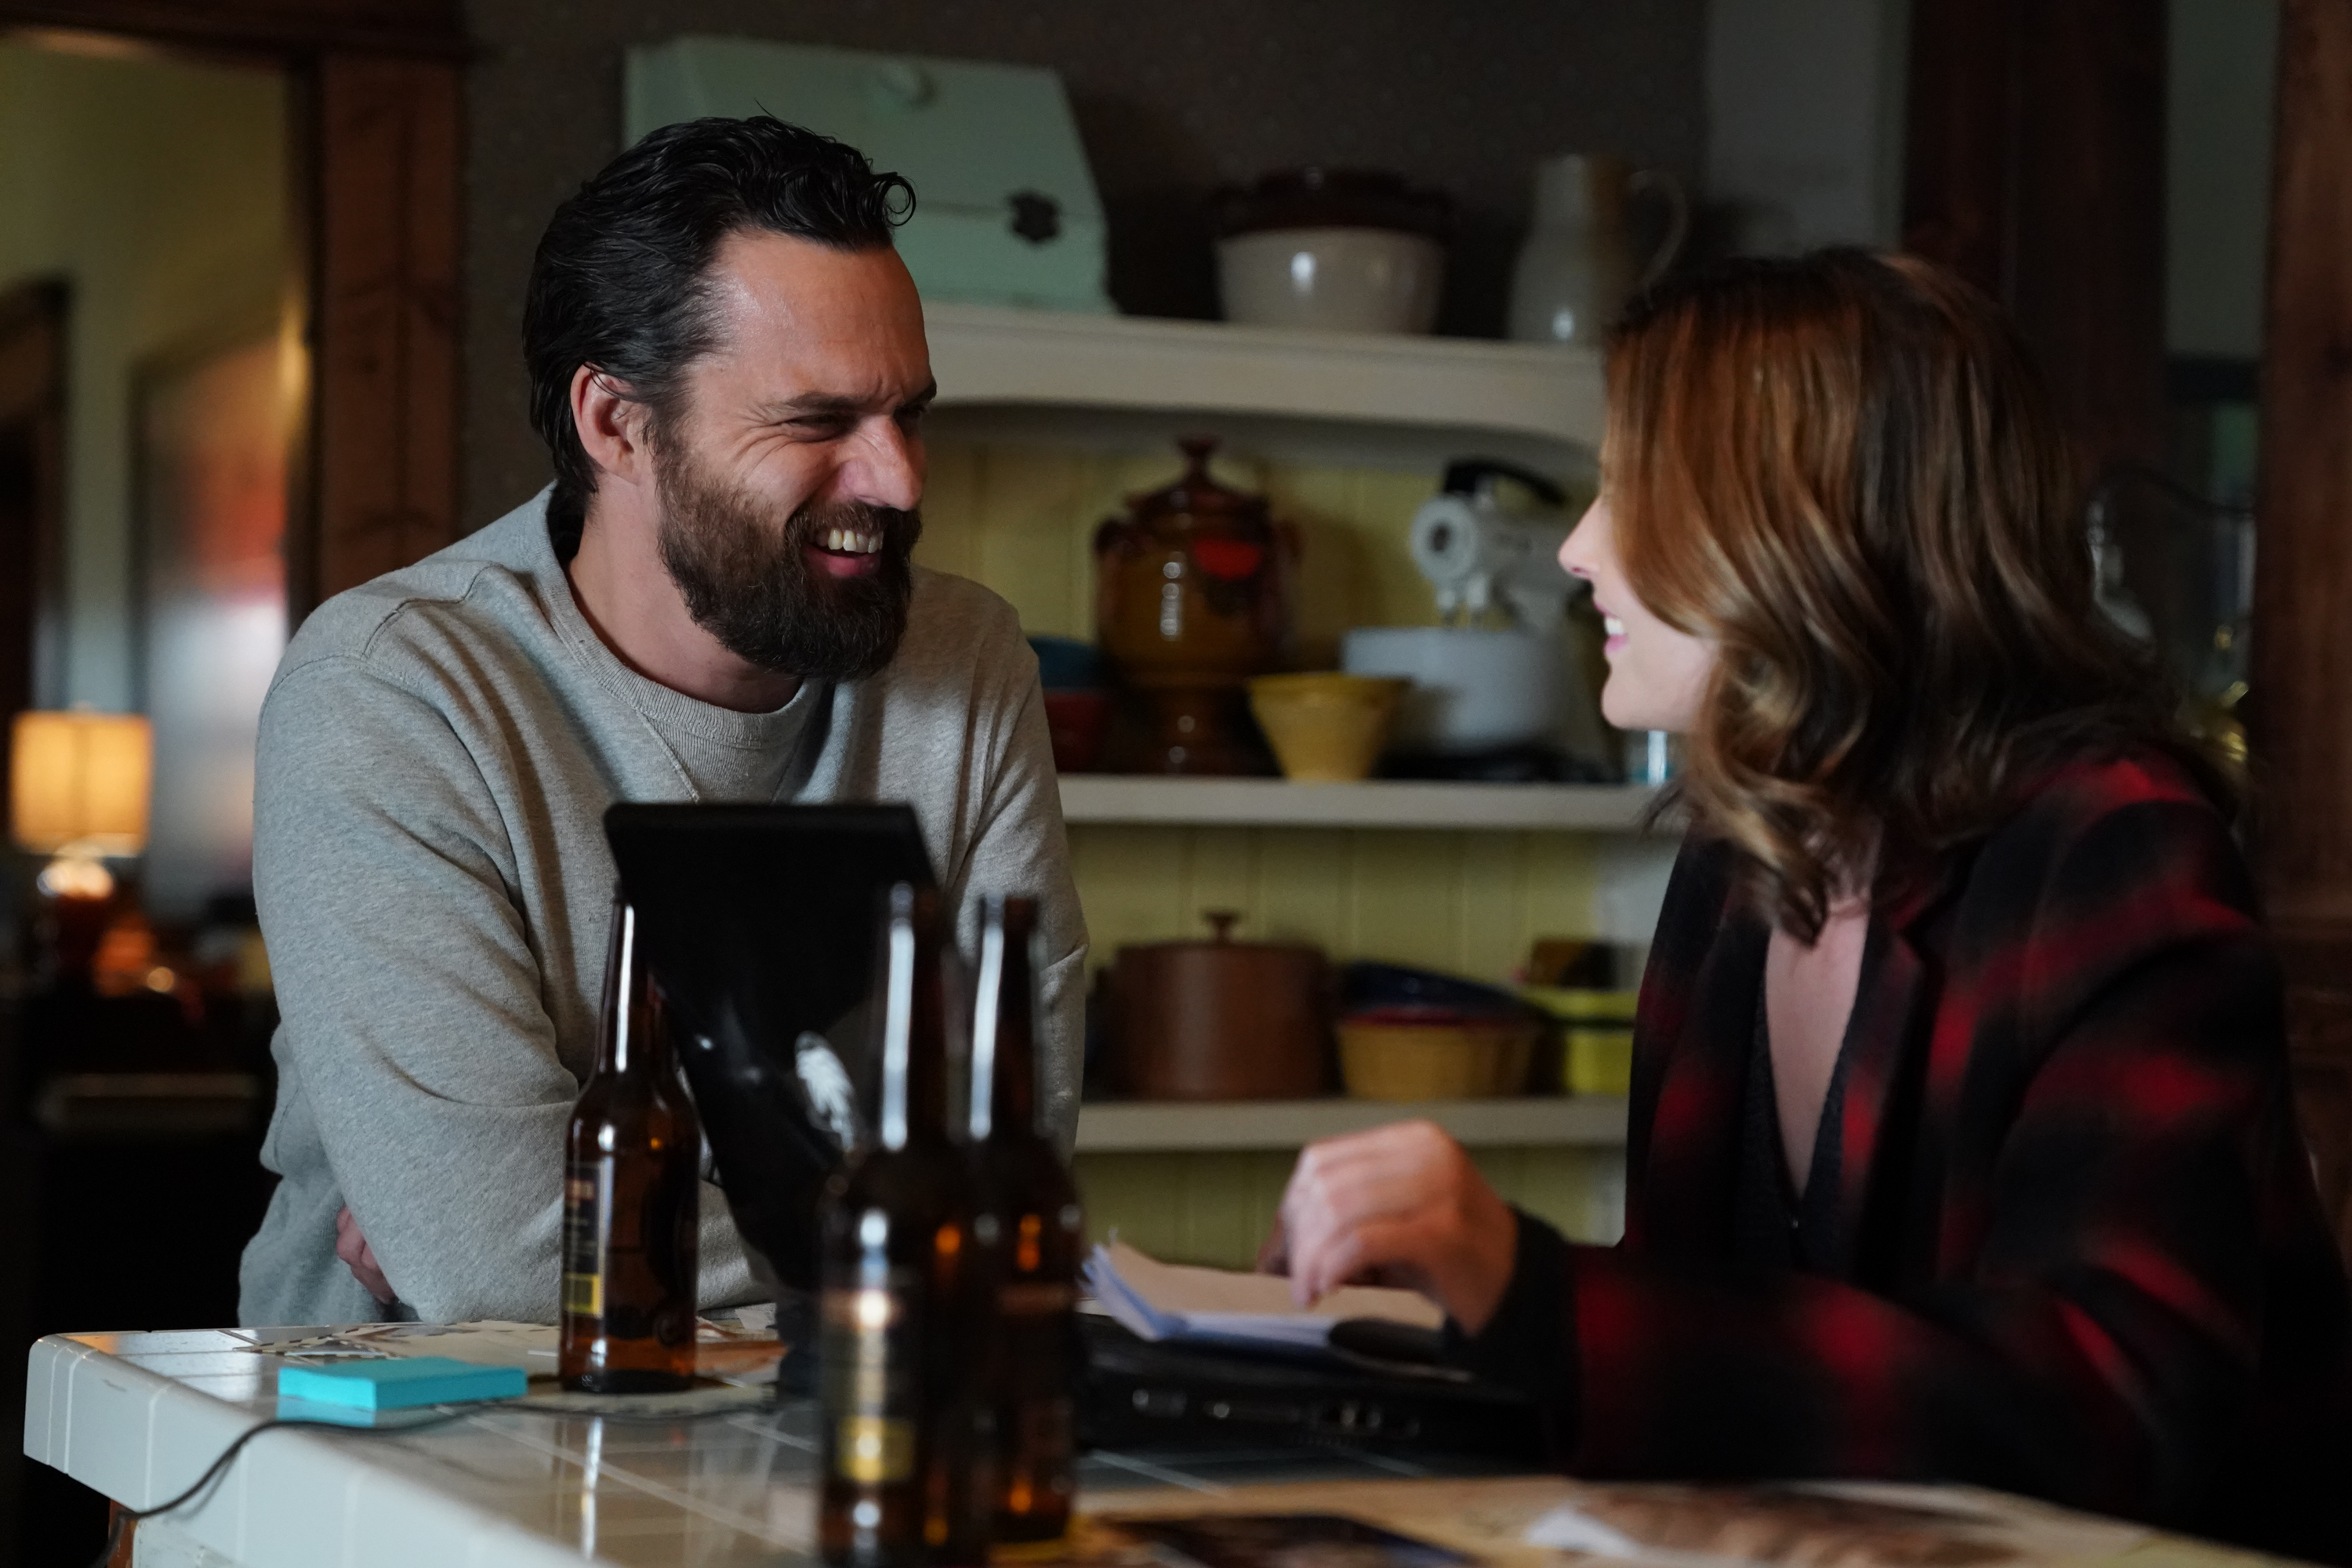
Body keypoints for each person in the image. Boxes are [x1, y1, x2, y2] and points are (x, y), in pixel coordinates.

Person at [1260, 249, 2352, 1562]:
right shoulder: (1738, 856)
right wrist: (1458, 1327)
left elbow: (2113, 1396)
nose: (1575, 547)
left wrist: (1540, 1298)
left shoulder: (2114, 845)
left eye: (1632, 489)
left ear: (1799, 527)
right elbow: (1695, 1331)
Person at [237, 117, 1086, 1327]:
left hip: (833, 1439)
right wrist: (908, 1242)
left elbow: (1010, 1192)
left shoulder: (966, 663)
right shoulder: (395, 689)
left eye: (909, 415)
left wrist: (608, 1230)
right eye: (818, 422)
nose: (898, 480)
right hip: (404, 1469)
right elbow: (503, 1264)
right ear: (616, 424)